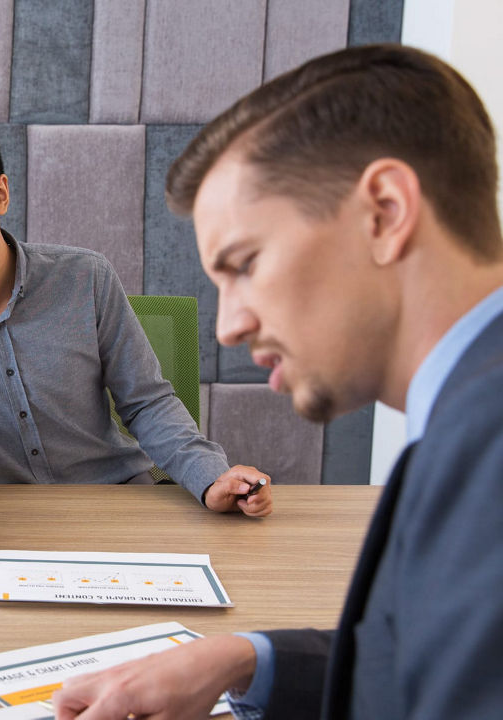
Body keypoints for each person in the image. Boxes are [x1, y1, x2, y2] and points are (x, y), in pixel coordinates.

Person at [51, 44, 503, 719]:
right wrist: (246, 661)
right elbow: (424, 658)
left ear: (383, 211)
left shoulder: (486, 451)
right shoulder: (470, 419)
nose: (228, 325)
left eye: (245, 263)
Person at [0, 104, 272, 561]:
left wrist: (210, 476)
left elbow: (146, 403)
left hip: (119, 504)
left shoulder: (86, 277)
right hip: (1, 524)